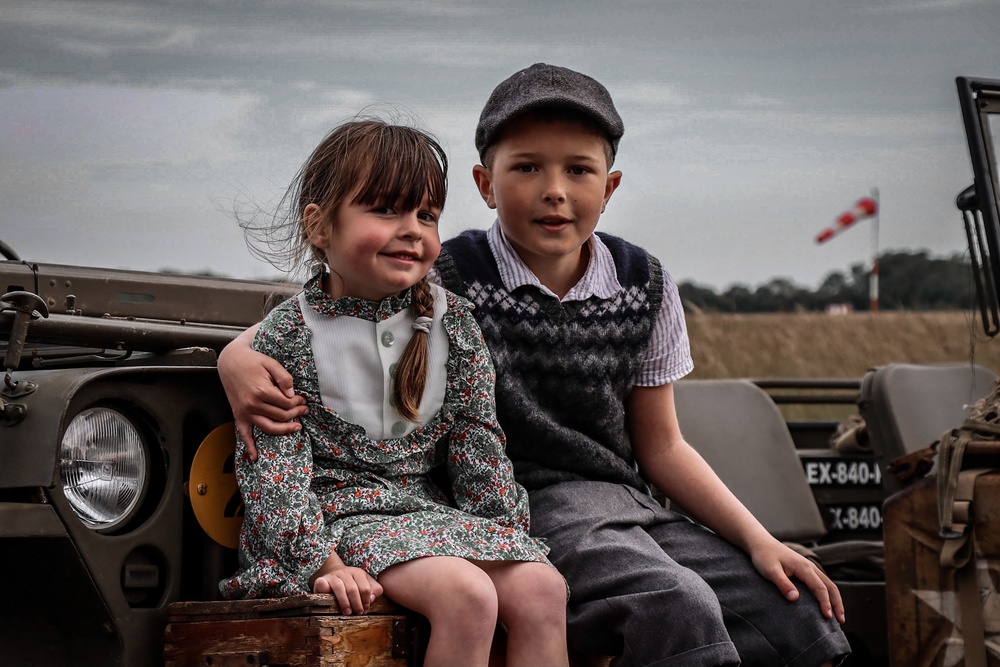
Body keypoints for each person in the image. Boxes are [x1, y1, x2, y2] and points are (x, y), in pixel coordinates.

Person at [219, 66, 852, 667]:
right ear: (486, 184)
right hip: (533, 499)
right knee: (674, 604)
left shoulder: (641, 283)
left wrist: (758, 539)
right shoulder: (448, 277)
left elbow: (662, 446)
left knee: (793, 612)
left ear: (610, 186)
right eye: (527, 167)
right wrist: (234, 358)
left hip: (625, 500)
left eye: (579, 169)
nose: (555, 190)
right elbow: (323, 314)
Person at [219, 118, 570, 667]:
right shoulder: (286, 338)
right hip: (335, 524)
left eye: (426, 215)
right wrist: (324, 566)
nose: (412, 230)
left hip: (427, 516)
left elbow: (477, 442)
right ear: (319, 226)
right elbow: (274, 474)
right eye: (385, 210)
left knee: (543, 589)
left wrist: (499, 532)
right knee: (469, 595)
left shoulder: (455, 326)